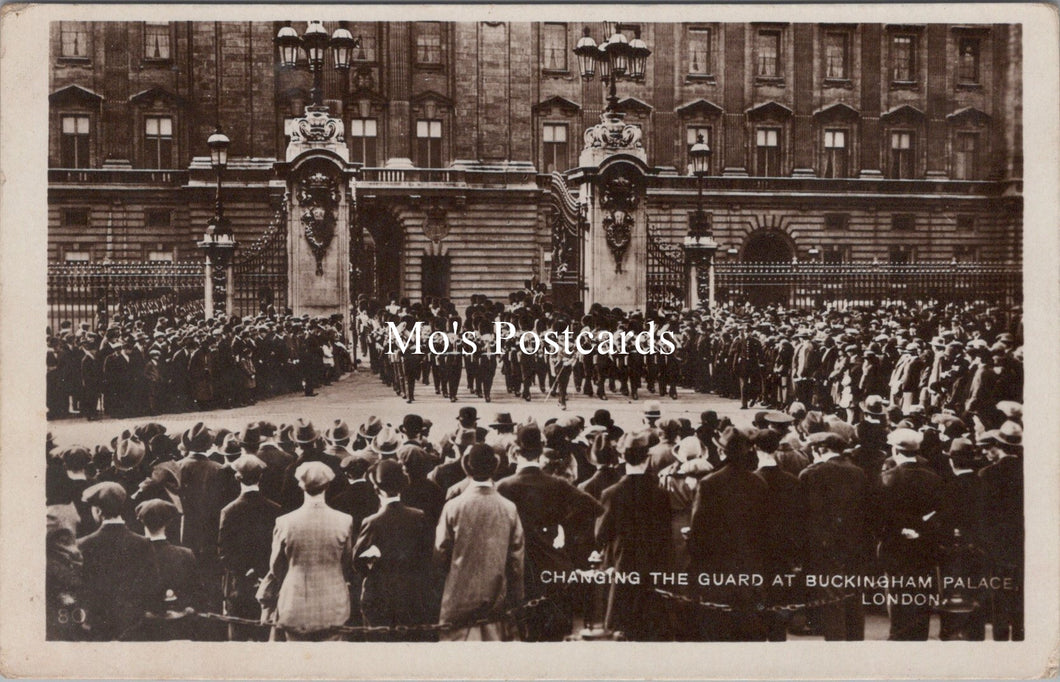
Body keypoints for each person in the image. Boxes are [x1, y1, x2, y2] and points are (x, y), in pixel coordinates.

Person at [496, 423, 603, 641]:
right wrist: (561, 523)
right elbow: (594, 507)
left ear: (516, 450)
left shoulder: (504, 486)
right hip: (552, 564)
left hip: (518, 567)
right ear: (541, 447)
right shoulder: (557, 484)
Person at [434, 443, 525, 641]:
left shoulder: (453, 507)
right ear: (495, 466)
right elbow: (516, 563)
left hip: (457, 602)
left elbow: (440, 553)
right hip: (496, 604)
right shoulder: (509, 508)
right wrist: (516, 602)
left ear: (467, 466)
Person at [256, 461, 356, 641]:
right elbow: (347, 562)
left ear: (301, 485)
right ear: (327, 485)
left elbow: (276, 566)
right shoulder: (345, 520)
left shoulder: (285, 522)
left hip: (295, 604)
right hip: (333, 604)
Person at [687, 426, 769, 641]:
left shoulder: (709, 484)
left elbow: (698, 529)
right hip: (749, 564)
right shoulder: (758, 482)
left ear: (722, 452)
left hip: (718, 565)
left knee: (719, 627)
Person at [595, 431, 673, 641]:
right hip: (654, 562)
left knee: (622, 622)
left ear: (622, 457)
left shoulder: (611, 493)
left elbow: (601, 533)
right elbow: (666, 532)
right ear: (647, 459)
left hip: (623, 562)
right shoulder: (661, 493)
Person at [352, 460, 434, 639]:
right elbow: (427, 555)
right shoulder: (418, 516)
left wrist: (373, 563)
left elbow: (357, 562)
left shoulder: (372, 522)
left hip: (380, 595)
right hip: (411, 593)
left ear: (376, 489)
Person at [875, 427, 944, 640]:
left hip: (896, 547)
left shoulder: (889, 478)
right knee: (921, 596)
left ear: (896, 450)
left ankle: (898, 637)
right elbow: (939, 513)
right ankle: (919, 638)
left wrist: (900, 530)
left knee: (897, 598)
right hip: (924, 547)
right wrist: (921, 530)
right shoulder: (933, 478)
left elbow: (880, 515)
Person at [77, 482, 161, 641]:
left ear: (98, 511)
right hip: (133, 627)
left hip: (96, 627)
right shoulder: (143, 544)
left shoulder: (83, 545)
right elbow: (152, 585)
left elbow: (80, 588)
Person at [218, 455, 281, 641]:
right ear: (260, 478)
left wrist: (246, 571)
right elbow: (276, 548)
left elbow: (224, 552)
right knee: (264, 637)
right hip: (266, 583)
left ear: (237, 478)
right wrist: (261, 572)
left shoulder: (229, 511)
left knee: (238, 641)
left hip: (238, 584)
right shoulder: (275, 509)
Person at [136, 499, 203, 641]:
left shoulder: (135, 554)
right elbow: (197, 594)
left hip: (145, 631)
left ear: (142, 522)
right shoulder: (185, 554)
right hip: (179, 629)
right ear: (167, 523)